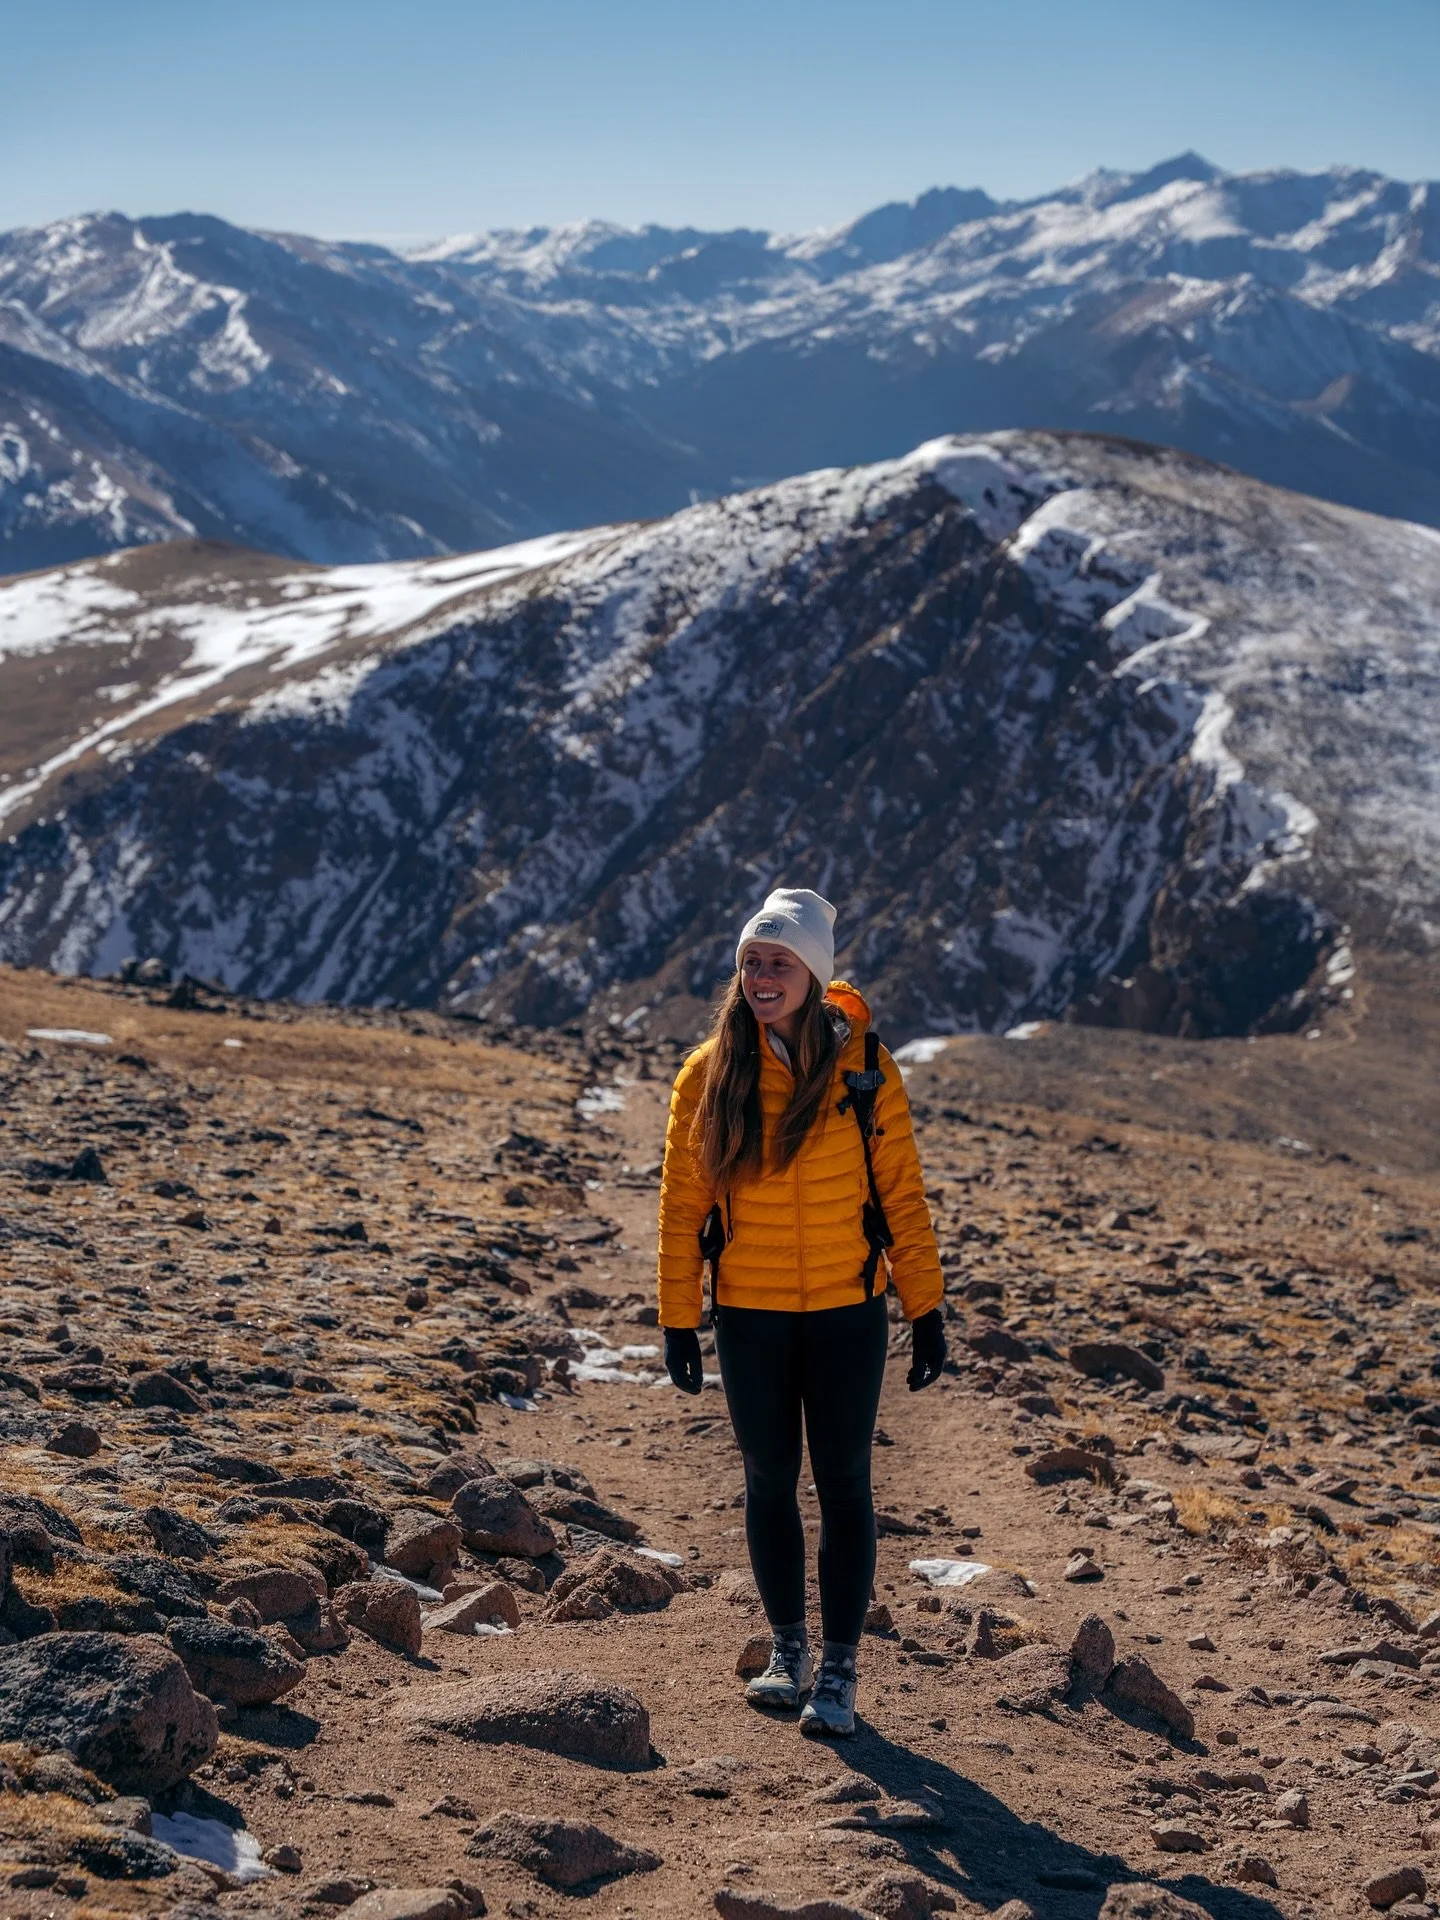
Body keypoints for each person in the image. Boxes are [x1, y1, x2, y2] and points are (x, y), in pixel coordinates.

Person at [656, 887, 947, 1737]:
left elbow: (901, 1191)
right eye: (750, 960)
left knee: (846, 1484)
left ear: (814, 975)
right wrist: (680, 1318)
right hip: (749, 1312)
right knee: (767, 1481)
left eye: (779, 962)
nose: (760, 976)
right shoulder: (707, 1075)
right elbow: (683, 1207)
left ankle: (843, 1667)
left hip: (847, 1311)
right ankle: (789, 1651)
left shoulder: (863, 1069)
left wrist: (924, 1306)